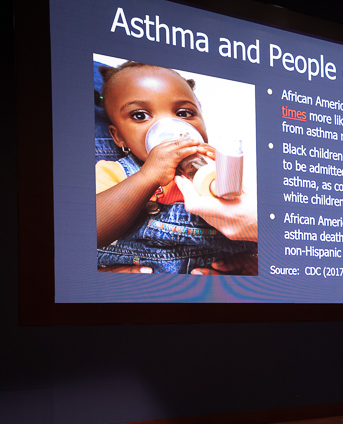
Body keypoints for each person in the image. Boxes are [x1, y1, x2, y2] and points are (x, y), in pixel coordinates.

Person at [95, 60, 258, 274]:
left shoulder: (221, 168)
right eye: (140, 115)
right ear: (118, 137)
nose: (172, 128)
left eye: (183, 113)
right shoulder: (113, 171)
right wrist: (147, 176)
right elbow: (91, 230)